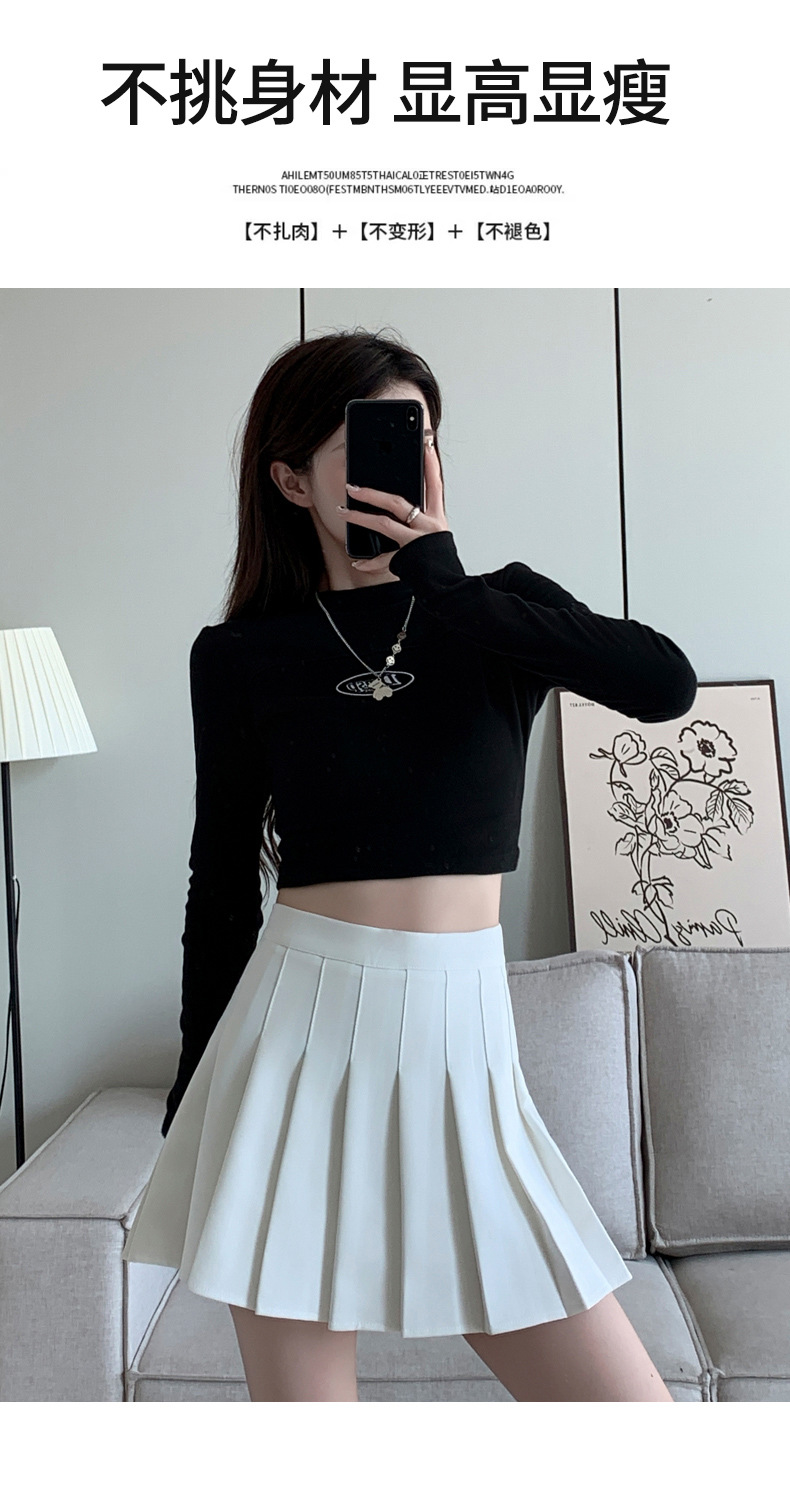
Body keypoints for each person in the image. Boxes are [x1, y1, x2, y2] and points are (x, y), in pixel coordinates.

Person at [122, 329, 696, 1402]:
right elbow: (220, 882)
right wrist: (192, 1089)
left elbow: (664, 684)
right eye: (369, 439)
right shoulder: (242, 653)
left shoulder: (499, 609)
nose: (407, 460)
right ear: (291, 478)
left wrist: (448, 583)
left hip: (460, 1043)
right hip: (292, 1040)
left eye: (419, 434)